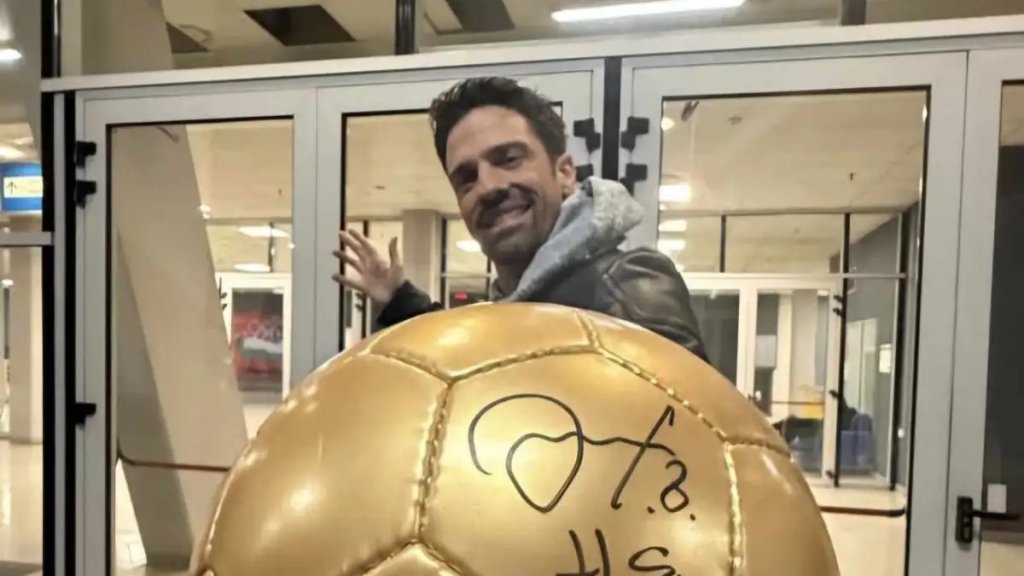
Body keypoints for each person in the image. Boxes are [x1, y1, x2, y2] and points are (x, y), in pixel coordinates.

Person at [334, 77, 707, 360]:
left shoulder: (628, 288)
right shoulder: (520, 301)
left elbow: (689, 430)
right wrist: (401, 301)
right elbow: (481, 363)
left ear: (564, 173)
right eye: (467, 178)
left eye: (509, 159)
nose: (488, 187)